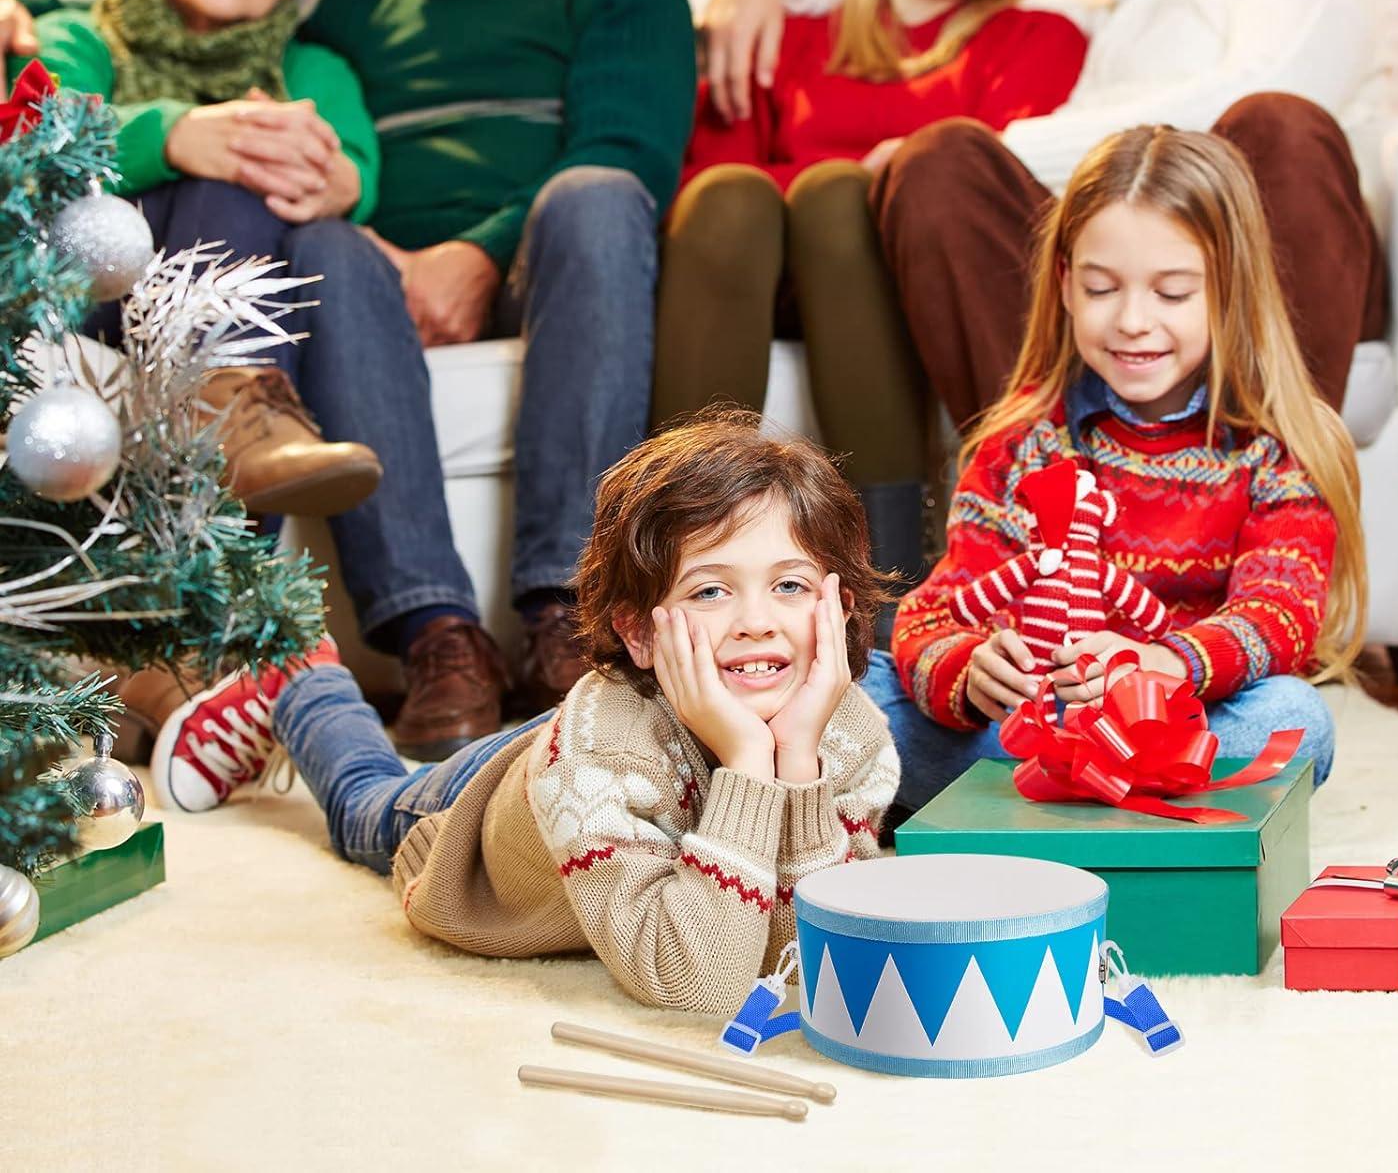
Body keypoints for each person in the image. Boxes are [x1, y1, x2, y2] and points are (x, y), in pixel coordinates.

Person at [3, 0, 698, 756]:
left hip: (540, 260)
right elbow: (81, 75)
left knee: (583, 196)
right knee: (327, 242)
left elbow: (611, 153)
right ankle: (435, 633)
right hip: (333, 276)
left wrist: (439, 237)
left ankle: (569, 614)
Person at [699, 0, 1387, 424]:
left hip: (1276, 263)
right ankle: (1040, 497)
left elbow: (1291, 85)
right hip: (1117, 285)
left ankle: (1276, 488)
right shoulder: (1097, 13)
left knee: (1282, 120)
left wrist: (1015, 148)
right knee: (940, 160)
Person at [147, 411, 901, 1014]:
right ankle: (300, 679)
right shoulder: (606, 755)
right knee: (362, 810)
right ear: (638, 630)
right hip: (478, 811)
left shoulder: (850, 734)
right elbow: (696, 981)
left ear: (835, 605)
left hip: (583, 749)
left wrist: (795, 762)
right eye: (710, 590)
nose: (757, 621)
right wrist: (746, 760)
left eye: (791, 586)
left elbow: (806, 953)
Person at [657, 0, 1085, 590]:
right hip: (755, 274)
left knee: (835, 194)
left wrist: (847, 181)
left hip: (894, 291)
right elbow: (709, 186)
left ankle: (883, 578)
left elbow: (990, 215)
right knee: (731, 195)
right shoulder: (787, 29)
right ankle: (677, 550)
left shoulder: (1037, 43)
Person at [866, 124, 1357, 814]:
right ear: (1065, 285)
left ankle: (1029, 805)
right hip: (1034, 726)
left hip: (1175, 727)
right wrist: (967, 667)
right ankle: (1089, 799)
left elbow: (1277, 614)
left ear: (1231, 291)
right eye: (1101, 288)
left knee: (1296, 717)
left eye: (1173, 293)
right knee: (864, 693)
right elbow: (939, 610)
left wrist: (1166, 663)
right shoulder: (1022, 446)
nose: (1132, 320)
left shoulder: (1273, 450)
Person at [5, 0, 383, 518]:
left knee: (247, 175)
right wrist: (175, 134)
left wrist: (339, 181)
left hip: (251, 308)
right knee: (225, 171)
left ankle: (234, 422)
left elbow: (354, 163)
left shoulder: (312, 70)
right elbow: (46, 143)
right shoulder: (79, 36)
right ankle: (231, 414)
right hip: (98, 298)